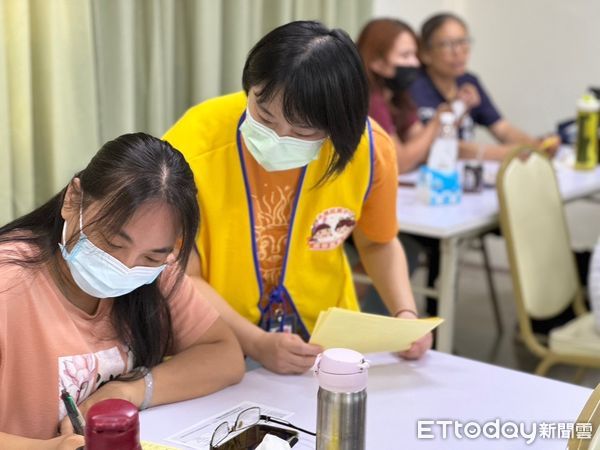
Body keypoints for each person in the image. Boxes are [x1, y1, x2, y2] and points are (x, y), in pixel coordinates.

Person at [163, 20, 432, 375]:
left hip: (324, 346)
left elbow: (378, 243)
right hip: (215, 343)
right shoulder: (193, 144)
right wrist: (256, 342)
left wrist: (404, 316)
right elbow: (180, 274)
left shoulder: (367, 149)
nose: (278, 136)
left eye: (302, 130)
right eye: (264, 115)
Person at [0, 133, 245, 449]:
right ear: (74, 200)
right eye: (113, 244)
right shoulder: (9, 285)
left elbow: (224, 355)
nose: (127, 267)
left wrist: (127, 390)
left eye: (151, 256)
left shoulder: (156, 274)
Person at [410, 12, 560, 160]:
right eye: (447, 45)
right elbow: (432, 146)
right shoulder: (413, 87)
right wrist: (507, 153)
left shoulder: (469, 82)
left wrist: (536, 145)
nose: (458, 52)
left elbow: (503, 129)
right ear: (425, 52)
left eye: (463, 42)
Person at [357, 18, 445, 174]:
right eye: (405, 56)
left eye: (415, 54)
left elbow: (426, 149)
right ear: (377, 62)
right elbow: (400, 163)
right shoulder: (370, 100)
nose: (415, 63)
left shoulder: (398, 95)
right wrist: (436, 122)